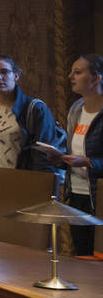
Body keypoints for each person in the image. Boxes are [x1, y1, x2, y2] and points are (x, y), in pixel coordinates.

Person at [0, 55, 63, 187]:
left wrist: (40, 186)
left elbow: (44, 154)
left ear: (16, 75)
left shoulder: (35, 108)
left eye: (4, 72)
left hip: (22, 184)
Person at [43, 54, 103, 254]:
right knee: (82, 254)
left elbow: (87, 159)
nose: (70, 76)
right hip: (77, 194)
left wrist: (89, 162)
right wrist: (59, 159)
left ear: (96, 78)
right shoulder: (76, 109)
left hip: (99, 195)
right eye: (71, 71)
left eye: (77, 72)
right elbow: (73, 152)